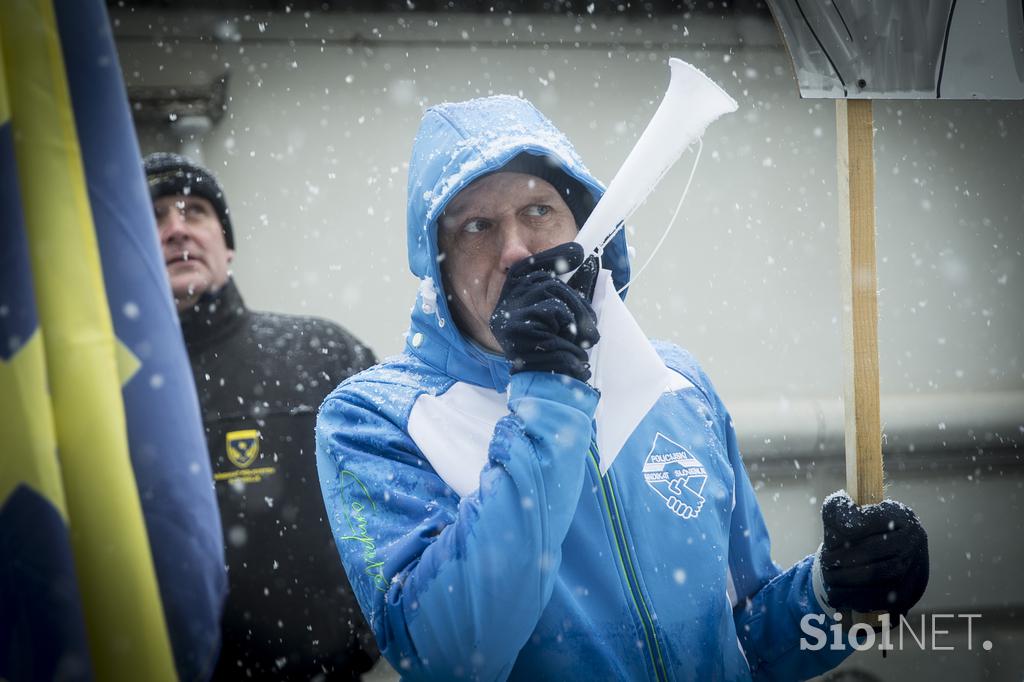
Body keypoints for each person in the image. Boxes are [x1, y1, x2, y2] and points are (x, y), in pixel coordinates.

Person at [314, 96, 929, 680]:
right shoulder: (376, 418)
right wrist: (547, 394)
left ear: (586, 229)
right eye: (476, 225)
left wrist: (831, 594)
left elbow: (744, 643)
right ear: (438, 261)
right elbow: (451, 655)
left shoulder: (676, 386)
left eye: (538, 211)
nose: (515, 251)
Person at [145, 153, 380, 681]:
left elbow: (402, 484)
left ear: (226, 246)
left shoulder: (321, 352)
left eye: (195, 211)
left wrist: (365, 632)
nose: (176, 228)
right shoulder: (109, 389)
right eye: (154, 216)